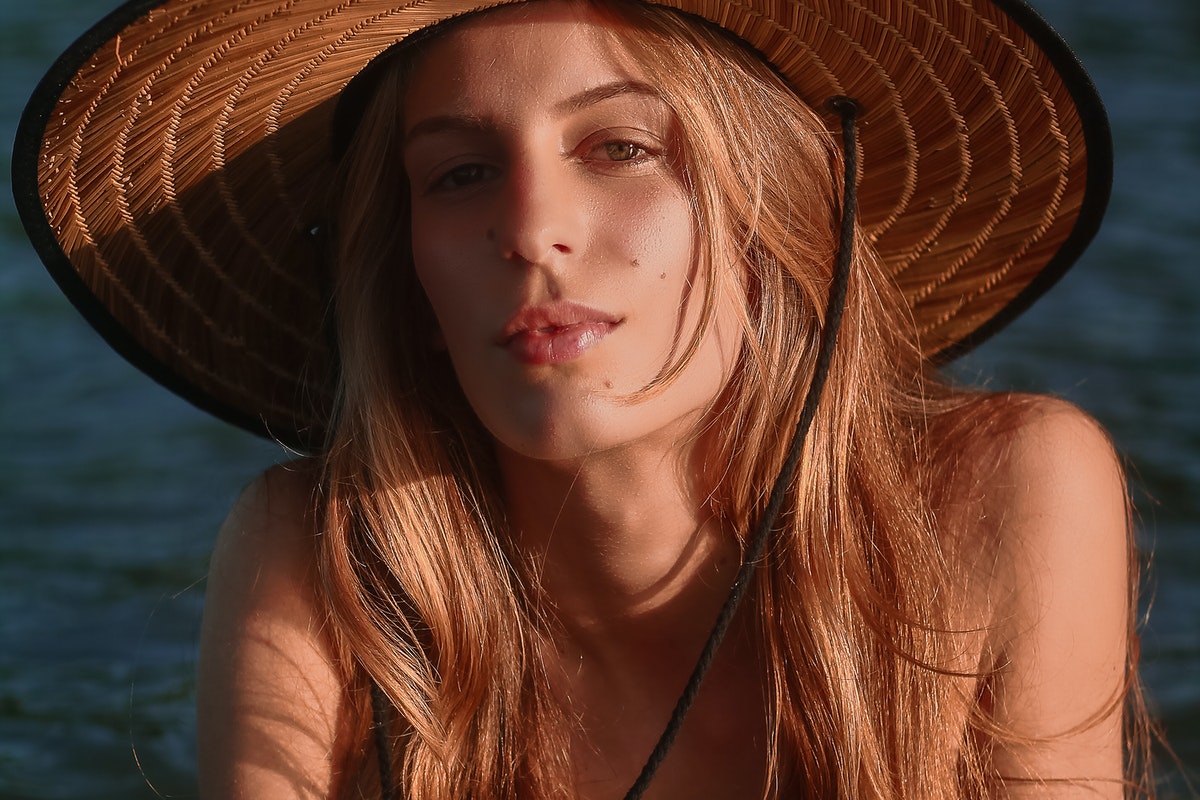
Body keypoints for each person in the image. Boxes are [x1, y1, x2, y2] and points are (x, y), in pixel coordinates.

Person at [13, 0, 1156, 796]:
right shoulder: (322, 557)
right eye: (460, 174)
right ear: (408, 276)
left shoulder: (1001, 493)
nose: (529, 229)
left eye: (618, 147)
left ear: (776, 222)